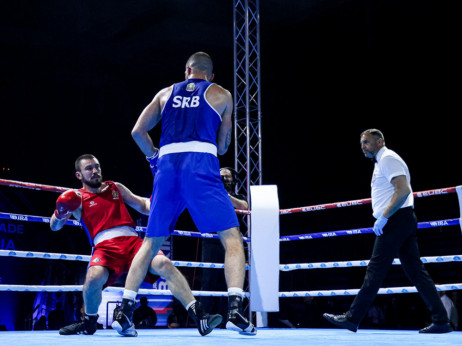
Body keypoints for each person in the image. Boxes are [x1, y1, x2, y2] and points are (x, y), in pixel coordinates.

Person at [113, 52, 256, 336]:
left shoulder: (165, 93)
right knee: (231, 238)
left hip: (167, 168)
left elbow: (137, 131)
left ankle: (124, 311)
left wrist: (155, 156)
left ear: (187, 70)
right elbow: (224, 146)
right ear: (210, 75)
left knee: (150, 243)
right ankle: (236, 308)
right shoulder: (222, 93)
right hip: (201, 164)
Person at [51, 154, 221, 337]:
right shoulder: (76, 198)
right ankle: (89, 322)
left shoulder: (115, 187)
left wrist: (169, 201)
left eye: (97, 167)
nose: (95, 171)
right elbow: (54, 226)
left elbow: (143, 205)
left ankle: (199, 316)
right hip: (104, 248)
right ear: (79, 175)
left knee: (164, 264)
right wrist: (60, 212)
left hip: (133, 243)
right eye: (89, 168)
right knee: (92, 277)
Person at [323, 129, 452, 334]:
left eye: (366, 142)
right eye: (361, 143)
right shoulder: (381, 162)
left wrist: (384, 216)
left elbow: (403, 190)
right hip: (401, 219)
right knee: (416, 272)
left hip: (395, 220)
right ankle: (441, 321)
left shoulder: (388, 158)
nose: (363, 146)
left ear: (380, 141)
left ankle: (352, 318)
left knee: (375, 270)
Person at [200, 167, 248, 325]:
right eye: (220, 177)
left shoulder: (237, 196)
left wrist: (225, 196)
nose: (224, 179)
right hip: (212, 241)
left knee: (228, 280)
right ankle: (204, 317)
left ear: (233, 180)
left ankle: (229, 318)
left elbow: (244, 206)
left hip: (231, 243)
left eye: (227, 177)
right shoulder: (210, 194)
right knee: (208, 279)